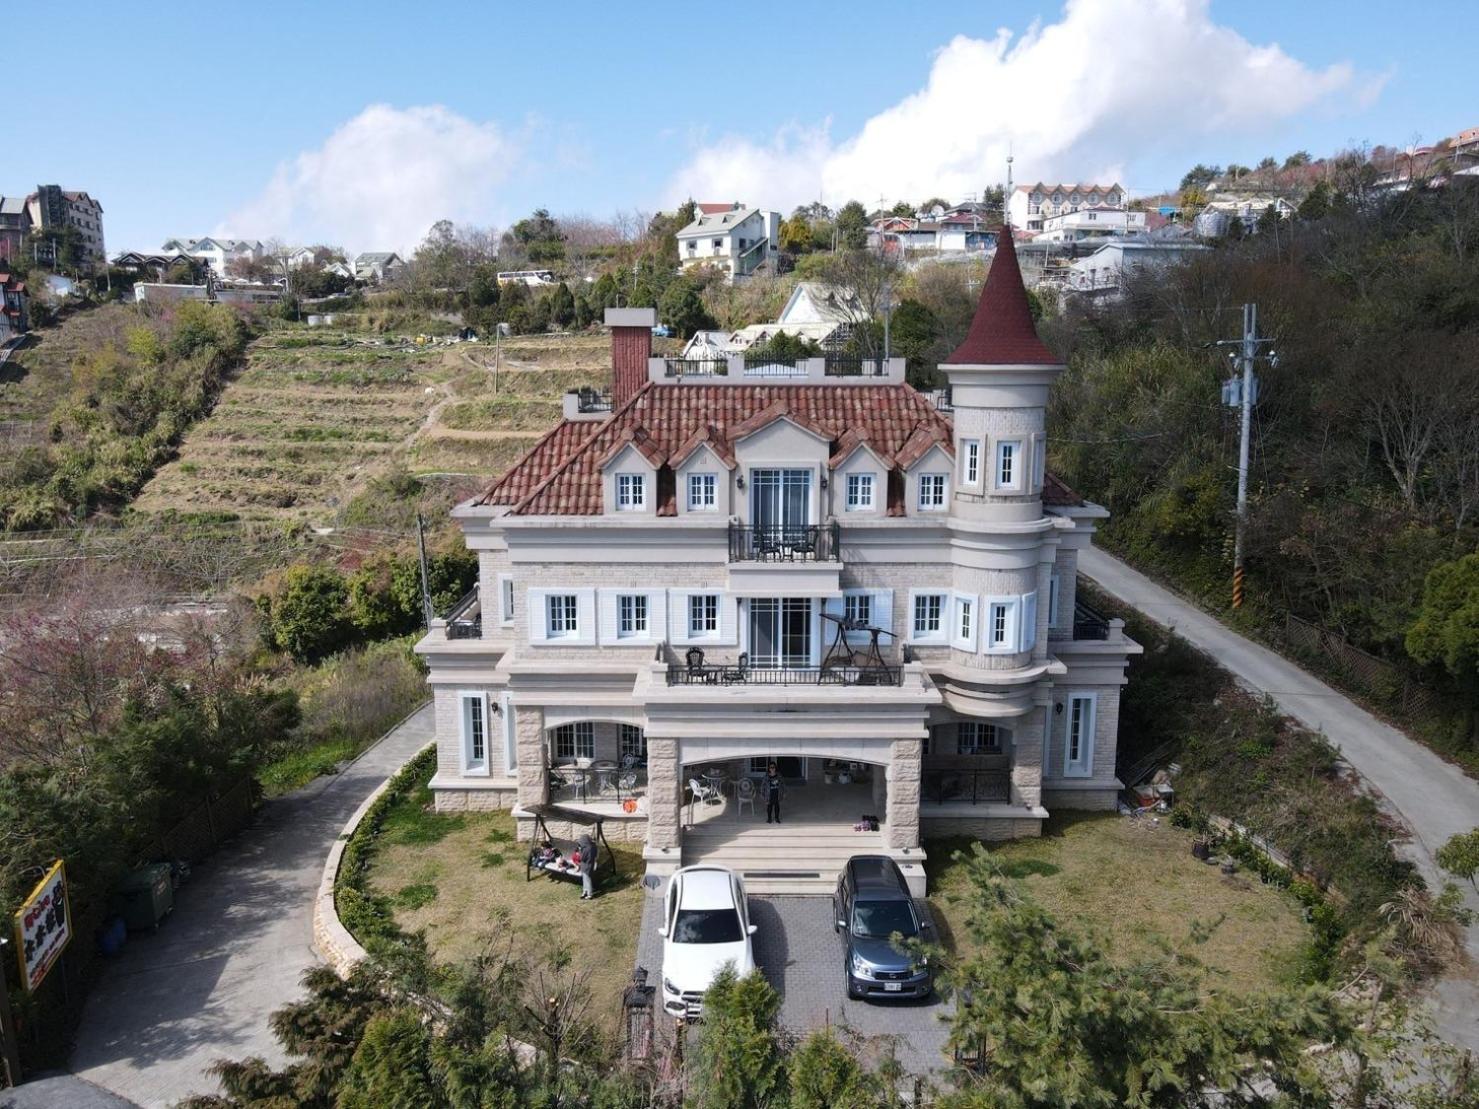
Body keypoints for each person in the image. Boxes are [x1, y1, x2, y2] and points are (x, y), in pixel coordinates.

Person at [577, 832, 597, 900]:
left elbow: (582, 858)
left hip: (586, 866)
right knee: (586, 880)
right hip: (589, 865)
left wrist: (580, 851)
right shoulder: (593, 846)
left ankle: (589, 894)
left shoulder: (586, 848)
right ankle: (585, 892)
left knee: (587, 880)